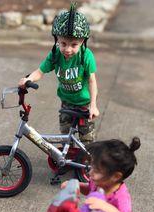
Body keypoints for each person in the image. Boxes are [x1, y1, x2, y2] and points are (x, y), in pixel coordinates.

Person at [19, 3, 99, 144]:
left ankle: (87, 162)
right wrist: (28, 79)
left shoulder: (86, 56)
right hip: (66, 102)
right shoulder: (56, 54)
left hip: (84, 103)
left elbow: (92, 81)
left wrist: (93, 104)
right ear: (57, 40)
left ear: (82, 42)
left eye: (74, 45)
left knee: (87, 139)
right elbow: (40, 71)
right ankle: (68, 158)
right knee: (65, 136)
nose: (67, 49)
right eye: (63, 43)